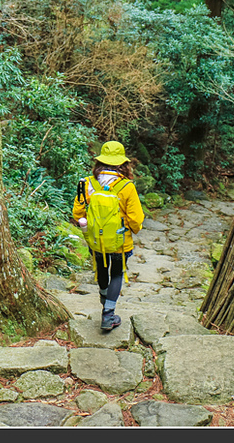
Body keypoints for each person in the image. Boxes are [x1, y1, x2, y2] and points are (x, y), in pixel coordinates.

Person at [72, 140, 144, 331]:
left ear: (100, 162)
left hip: (96, 239)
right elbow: (136, 218)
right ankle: (108, 314)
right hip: (120, 241)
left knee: (102, 269)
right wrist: (133, 228)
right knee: (118, 273)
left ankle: (105, 301)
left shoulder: (87, 183)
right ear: (123, 164)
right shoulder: (127, 187)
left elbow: (77, 212)